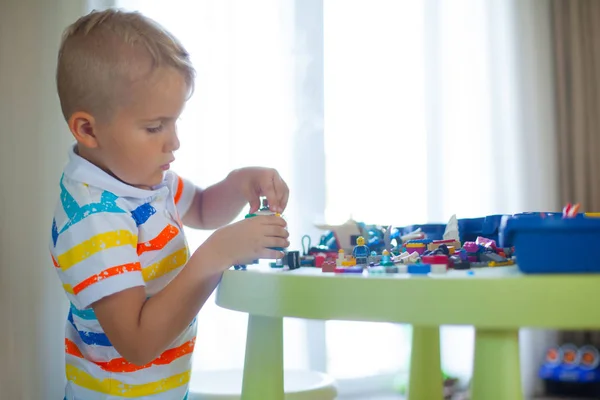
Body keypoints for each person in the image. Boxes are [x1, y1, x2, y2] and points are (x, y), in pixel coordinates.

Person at [50, 8, 290, 399]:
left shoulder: (144, 182)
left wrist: (238, 183)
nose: (173, 141)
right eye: (154, 127)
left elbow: (201, 209)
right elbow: (138, 344)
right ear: (88, 129)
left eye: (175, 122)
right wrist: (216, 254)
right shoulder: (93, 217)